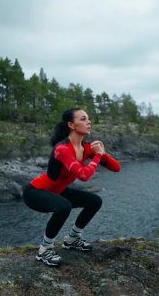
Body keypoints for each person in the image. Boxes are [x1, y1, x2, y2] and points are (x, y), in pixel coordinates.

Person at [23, 108, 121, 266]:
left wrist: (102, 152)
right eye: (83, 119)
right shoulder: (62, 149)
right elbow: (83, 175)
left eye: (88, 118)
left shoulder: (87, 148)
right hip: (35, 192)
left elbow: (116, 168)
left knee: (94, 201)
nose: (88, 122)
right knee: (64, 207)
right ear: (71, 124)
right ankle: (45, 249)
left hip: (58, 191)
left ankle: (72, 239)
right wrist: (97, 156)